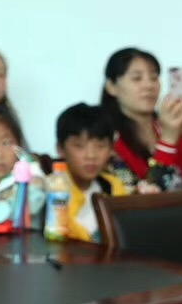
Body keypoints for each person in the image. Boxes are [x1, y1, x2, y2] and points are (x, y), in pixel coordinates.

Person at [100, 47, 182, 190]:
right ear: (111, 87)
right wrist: (168, 141)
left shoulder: (171, 127)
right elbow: (140, 199)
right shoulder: (106, 140)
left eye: (154, 78)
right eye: (136, 78)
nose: (149, 85)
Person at [46, 103, 130, 243]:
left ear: (111, 149)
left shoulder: (112, 185)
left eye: (100, 146)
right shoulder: (53, 187)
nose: (91, 155)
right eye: (79, 146)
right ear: (60, 149)